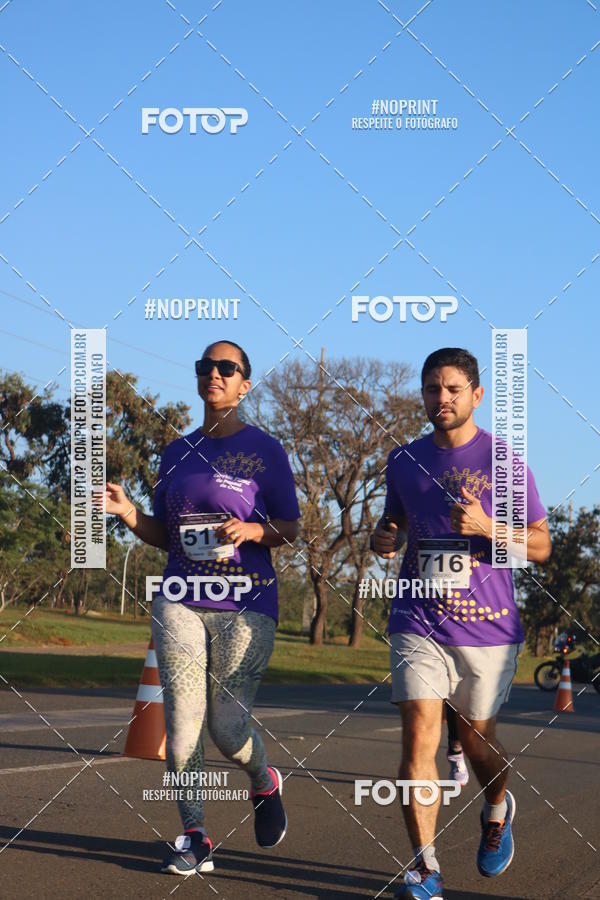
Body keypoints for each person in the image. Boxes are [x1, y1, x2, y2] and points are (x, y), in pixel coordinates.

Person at [105, 340, 300, 875]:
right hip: (181, 598)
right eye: (205, 367)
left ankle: (264, 782)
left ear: (244, 384)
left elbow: (291, 526)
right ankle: (194, 834)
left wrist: (255, 528)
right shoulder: (177, 452)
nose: (213, 374)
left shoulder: (267, 450)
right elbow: (166, 534)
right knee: (183, 721)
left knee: (227, 728)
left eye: (226, 368)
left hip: (246, 601)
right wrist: (129, 514)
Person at [370, 347, 551, 900]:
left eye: (452, 389)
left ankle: (497, 805)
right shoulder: (403, 460)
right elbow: (394, 521)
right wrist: (385, 538)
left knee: (475, 742)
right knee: (420, 735)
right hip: (417, 617)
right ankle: (425, 869)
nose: (440, 398)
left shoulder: (506, 462)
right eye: (431, 389)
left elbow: (540, 546)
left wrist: (488, 525)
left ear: (475, 394)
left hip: (489, 628)